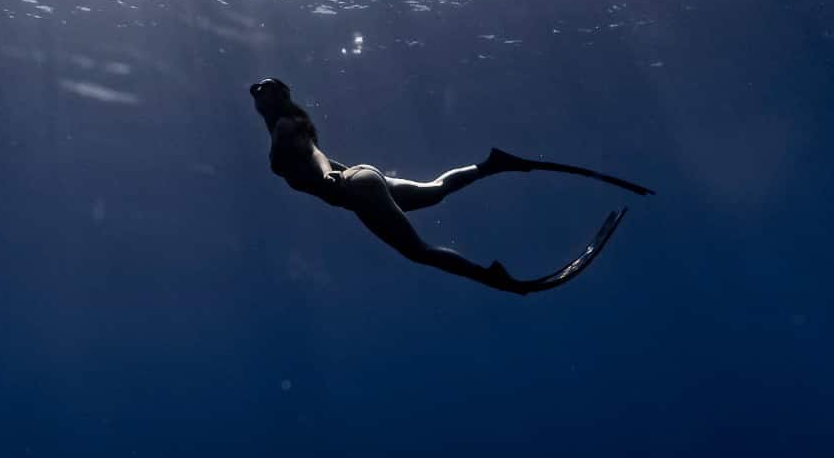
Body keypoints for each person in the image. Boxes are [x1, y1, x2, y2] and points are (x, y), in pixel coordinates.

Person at [248, 77, 653, 295]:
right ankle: (493, 165)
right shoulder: (285, 127)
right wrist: (338, 172)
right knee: (436, 189)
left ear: (280, 96)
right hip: (362, 179)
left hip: (355, 190)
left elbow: (314, 157)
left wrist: (327, 177)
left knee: (419, 252)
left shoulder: (285, 127)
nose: (256, 93)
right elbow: (319, 153)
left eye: (263, 88)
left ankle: (495, 279)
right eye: (255, 90)